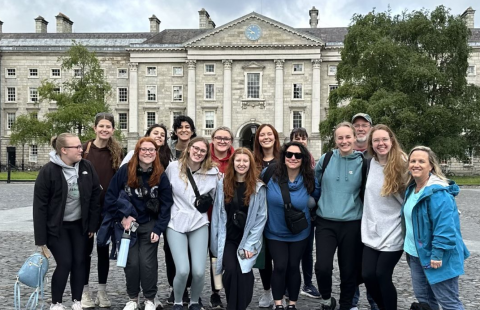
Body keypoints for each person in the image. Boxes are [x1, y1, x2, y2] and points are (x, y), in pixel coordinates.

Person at [103, 137, 173, 310]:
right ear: (137, 151)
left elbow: (167, 203)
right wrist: (122, 217)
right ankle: (132, 298)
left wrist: (159, 228)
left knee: (148, 263)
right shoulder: (125, 171)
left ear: (156, 153)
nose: (147, 153)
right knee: (131, 262)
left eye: (151, 150)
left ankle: (150, 298)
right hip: (127, 225)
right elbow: (110, 196)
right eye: (144, 149)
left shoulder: (160, 174)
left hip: (150, 223)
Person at [33, 133, 101, 310]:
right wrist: (41, 239)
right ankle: (56, 303)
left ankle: (77, 301)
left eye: (80, 146)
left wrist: (93, 224)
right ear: (64, 150)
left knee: (80, 261)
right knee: (65, 262)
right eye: (77, 147)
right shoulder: (48, 171)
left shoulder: (86, 166)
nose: (81, 149)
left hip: (80, 225)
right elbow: (39, 206)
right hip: (57, 227)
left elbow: (95, 195)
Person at [402, 146, 469, 310]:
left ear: (431, 166)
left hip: (438, 257)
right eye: (413, 161)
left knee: (449, 302)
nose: (416, 164)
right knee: (425, 301)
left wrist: (437, 254)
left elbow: (445, 228)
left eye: (421, 161)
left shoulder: (438, 193)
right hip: (416, 255)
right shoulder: (412, 189)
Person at [264, 142, 321, 310]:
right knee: (280, 265)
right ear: (284, 156)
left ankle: (292, 304)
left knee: (293, 266)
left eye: (298, 155)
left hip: (299, 232)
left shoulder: (310, 179)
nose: (293, 158)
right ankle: (279, 303)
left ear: (303, 158)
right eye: (289, 154)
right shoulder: (270, 174)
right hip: (274, 231)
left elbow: (316, 198)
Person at [314, 122, 365, 310]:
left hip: (352, 223)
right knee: (323, 267)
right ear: (335, 140)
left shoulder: (363, 162)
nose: (344, 141)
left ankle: (346, 305)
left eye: (347, 137)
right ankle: (327, 299)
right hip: (325, 222)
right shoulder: (325, 159)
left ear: (354, 138)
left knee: (349, 270)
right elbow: (314, 183)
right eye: (340, 138)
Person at [165, 137, 219, 310]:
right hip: (176, 223)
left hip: (199, 223)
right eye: (195, 148)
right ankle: (179, 301)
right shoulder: (173, 168)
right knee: (182, 270)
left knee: (198, 271)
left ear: (206, 154)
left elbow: (218, 201)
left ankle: (195, 301)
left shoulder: (213, 173)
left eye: (203, 151)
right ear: (189, 148)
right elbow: (164, 194)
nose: (198, 153)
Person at [210, 148, 267, 310]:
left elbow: (260, 218)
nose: (241, 164)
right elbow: (217, 215)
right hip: (227, 238)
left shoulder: (258, 187)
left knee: (244, 273)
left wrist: (250, 244)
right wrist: (214, 242)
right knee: (230, 271)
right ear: (232, 163)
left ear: (250, 164)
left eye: (245, 161)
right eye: (238, 160)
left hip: (247, 239)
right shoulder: (222, 184)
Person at [361, 125, 407, 310]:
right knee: (367, 275)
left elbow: (420, 187)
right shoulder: (369, 163)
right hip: (372, 229)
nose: (381, 144)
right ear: (371, 144)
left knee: (382, 274)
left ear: (391, 141)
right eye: (376, 140)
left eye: (384, 139)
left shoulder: (402, 163)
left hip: (394, 229)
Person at [81, 112, 123, 309]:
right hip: (87, 210)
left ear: (113, 130)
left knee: (103, 250)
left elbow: (120, 182)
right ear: (95, 128)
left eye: (108, 127)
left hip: (108, 210)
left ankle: (102, 290)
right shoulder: (83, 150)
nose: (105, 129)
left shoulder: (117, 152)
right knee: (85, 251)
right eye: (101, 126)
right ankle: (84, 291)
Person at [288, 127, 319, 299]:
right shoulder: (287, 160)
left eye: (303, 138)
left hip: (308, 214)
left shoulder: (312, 162)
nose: (300, 141)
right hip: (290, 214)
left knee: (307, 250)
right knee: (290, 251)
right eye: (297, 138)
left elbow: (316, 188)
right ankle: (288, 284)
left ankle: (307, 283)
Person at [252, 124, 281, 308]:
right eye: (262, 135)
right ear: (257, 139)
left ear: (275, 137)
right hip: (259, 216)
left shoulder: (285, 158)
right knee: (264, 258)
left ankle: (280, 289)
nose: (266, 137)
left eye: (269, 134)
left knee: (280, 257)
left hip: (279, 216)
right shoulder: (253, 161)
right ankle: (267, 291)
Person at [351, 113, 378, 310]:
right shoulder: (344, 152)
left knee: (372, 265)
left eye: (364, 125)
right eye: (357, 125)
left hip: (373, 218)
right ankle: (352, 301)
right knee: (351, 262)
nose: (360, 129)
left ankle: (374, 301)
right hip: (351, 218)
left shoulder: (378, 154)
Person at [208, 126, 235, 309]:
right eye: (219, 138)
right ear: (213, 139)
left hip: (231, 215)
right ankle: (216, 292)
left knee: (230, 256)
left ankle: (233, 289)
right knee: (214, 256)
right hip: (208, 214)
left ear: (231, 141)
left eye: (226, 138)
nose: (222, 141)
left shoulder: (237, 158)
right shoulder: (204, 157)